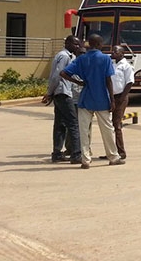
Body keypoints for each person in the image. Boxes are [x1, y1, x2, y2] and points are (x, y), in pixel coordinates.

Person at [60, 34, 125, 169]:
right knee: (107, 129)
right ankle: (113, 156)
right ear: (100, 44)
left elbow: (64, 73)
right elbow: (108, 80)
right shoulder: (105, 59)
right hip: (101, 98)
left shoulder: (82, 59)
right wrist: (112, 100)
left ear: (89, 44)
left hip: (86, 98)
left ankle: (86, 159)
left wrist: (78, 81)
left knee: (84, 130)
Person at [42, 35, 82, 163]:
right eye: (75, 44)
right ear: (68, 43)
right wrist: (49, 93)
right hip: (64, 93)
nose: (77, 47)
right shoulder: (64, 56)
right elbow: (57, 75)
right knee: (73, 123)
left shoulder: (66, 56)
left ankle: (57, 153)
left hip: (60, 93)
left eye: (78, 44)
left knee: (60, 124)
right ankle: (76, 154)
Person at [110, 45, 134, 160]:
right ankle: (111, 150)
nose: (113, 53)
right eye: (113, 51)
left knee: (117, 124)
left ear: (122, 53)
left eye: (116, 51)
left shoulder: (126, 66)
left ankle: (121, 151)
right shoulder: (112, 64)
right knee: (109, 125)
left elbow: (129, 83)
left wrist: (121, 98)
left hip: (120, 98)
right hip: (111, 97)